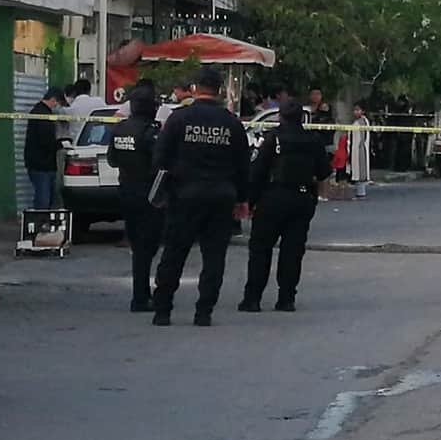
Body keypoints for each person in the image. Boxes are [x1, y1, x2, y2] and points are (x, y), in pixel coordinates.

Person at [151, 68, 250, 327]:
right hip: (221, 196)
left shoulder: (178, 119)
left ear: (194, 88)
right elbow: (243, 164)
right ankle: (204, 312)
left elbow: (159, 158)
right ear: (220, 90)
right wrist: (242, 199)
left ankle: (162, 311)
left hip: (184, 195)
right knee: (214, 257)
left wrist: (170, 183)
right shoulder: (231, 123)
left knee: (174, 253)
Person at [238, 101, 331, 313]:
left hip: (272, 198)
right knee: (293, 251)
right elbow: (324, 172)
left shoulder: (273, 138)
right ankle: (287, 298)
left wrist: (250, 202)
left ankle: (253, 299)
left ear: (280, 116)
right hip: (301, 199)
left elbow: (258, 172)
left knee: (260, 250)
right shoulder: (313, 140)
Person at [107, 85, 164, 313]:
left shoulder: (119, 129)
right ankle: (142, 297)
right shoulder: (151, 132)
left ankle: (141, 294)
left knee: (138, 245)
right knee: (148, 246)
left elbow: (112, 160)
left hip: (126, 191)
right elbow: (159, 163)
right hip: (150, 194)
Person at [24, 87, 64, 209]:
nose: (57, 106)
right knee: (43, 200)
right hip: (41, 164)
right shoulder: (42, 114)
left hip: (41, 163)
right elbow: (45, 140)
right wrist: (60, 144)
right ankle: (40, 219)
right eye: (58, 103)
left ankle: (42, 218)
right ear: (53, 100)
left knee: (47, 198)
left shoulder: (40, 111)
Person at [65, 78, 107, 143]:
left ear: (75, 92)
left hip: (77, 143)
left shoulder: (70, 109)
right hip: (100, 142)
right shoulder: (99, 102)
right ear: (89, 90)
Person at [348, 102, 371, 199]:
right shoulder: (358, 122)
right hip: (355, 148)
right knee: (357, 170)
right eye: (354, 110)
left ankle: (361, 193)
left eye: (358, 110)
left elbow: (362, 137)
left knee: (360, 171)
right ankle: (359, 192)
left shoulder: (362, 122)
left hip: (360, 149)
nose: (356, 112)